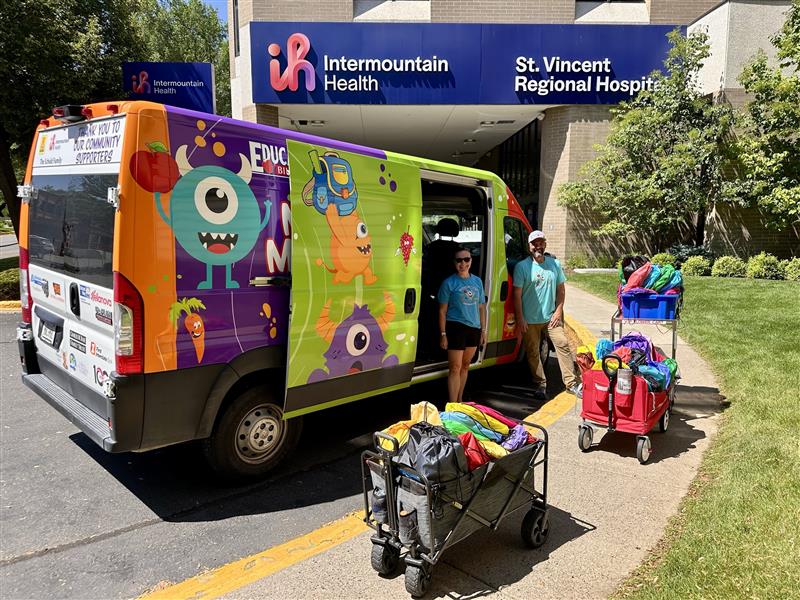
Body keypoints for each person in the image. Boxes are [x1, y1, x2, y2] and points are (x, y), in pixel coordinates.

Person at [513, 230, 582, 400]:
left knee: (562, 344)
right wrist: (520, 318)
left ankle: (571, 383)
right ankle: (541, 384)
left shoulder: (554, 264)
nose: (538, 245)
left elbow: (561, 290)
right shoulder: (522, 267)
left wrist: (558, 310)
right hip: (530, 319)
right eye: (534, 243)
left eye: (540, 242)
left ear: (545, 244)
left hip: (552, 317)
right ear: (529, 246)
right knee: (533, 352)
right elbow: (516, 295)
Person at [438, 247, 486, 404]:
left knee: (465, 366)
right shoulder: (449, 283)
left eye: (466, 259)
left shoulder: (477, 281)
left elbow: (481, 307)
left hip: (474, 329)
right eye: (459, 260)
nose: (463, 263)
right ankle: (452, 404)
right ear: (454, 263)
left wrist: (483, 331)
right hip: (456, 327)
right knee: (455, 367)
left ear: (471, 261)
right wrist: (443, 334)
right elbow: (442, 311)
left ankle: (460, 400)